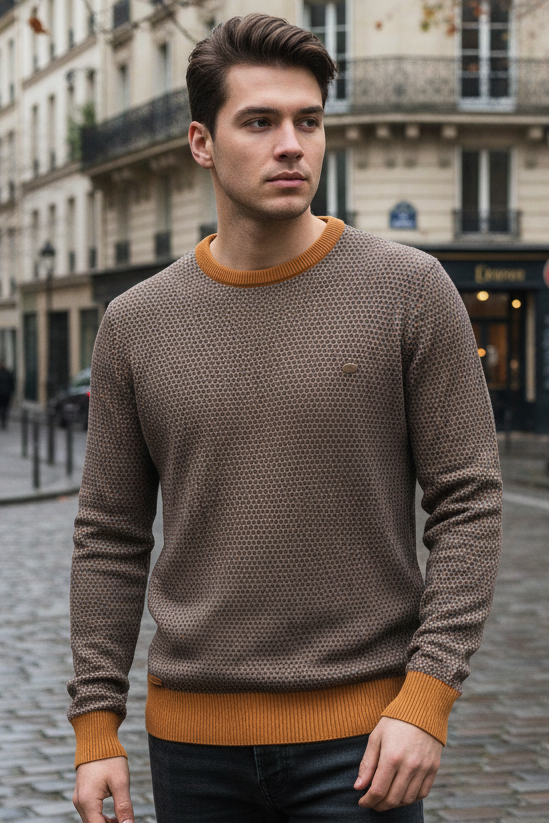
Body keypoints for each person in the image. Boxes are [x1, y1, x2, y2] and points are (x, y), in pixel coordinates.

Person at [68, 14, 503, 824]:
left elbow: (469, 504)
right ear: (201, 142)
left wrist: (427, 697)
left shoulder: (410, 290)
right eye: (260, 122)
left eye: (309, 121)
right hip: (190, 747)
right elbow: (110, 533)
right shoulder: (135, 322)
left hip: (365, 748)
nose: (292, 144)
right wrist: (97, 729)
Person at [0, 361, 15, 429]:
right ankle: (4, 421)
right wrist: (12, 392)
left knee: (1, 407)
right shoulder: (9, 374)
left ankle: (2, 419)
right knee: (6, 408)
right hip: (7, 394)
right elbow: (12, 384)